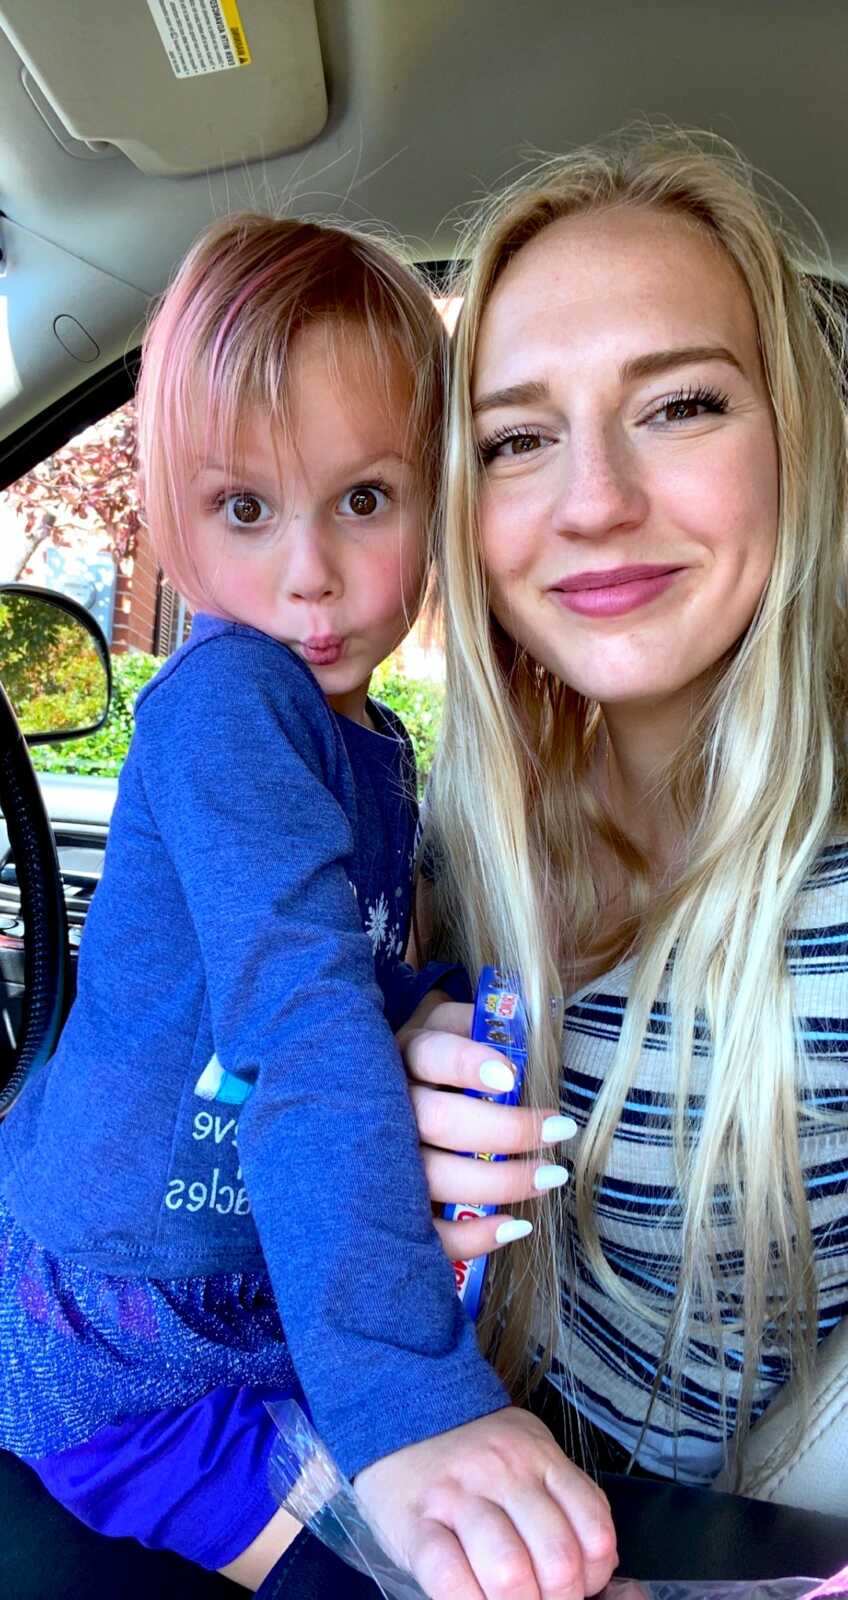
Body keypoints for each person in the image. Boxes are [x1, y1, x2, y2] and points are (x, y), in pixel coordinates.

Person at [0, 214, 616, 1597]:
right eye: (244, 509)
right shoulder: (230, 703)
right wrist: (412, 1399)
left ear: (435, 496)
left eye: (364, 499)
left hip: (239, 1294)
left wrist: (415, 1017)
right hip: (124, 1348)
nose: (310, 576)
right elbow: (299, 1014)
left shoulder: (366, 742)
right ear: (164, 510)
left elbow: (331, 975)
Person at [402, 130, 848, 1494]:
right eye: (520, 438)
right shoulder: (451, 847)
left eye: (683, 406)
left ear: (801, 442)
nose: (594, 502)